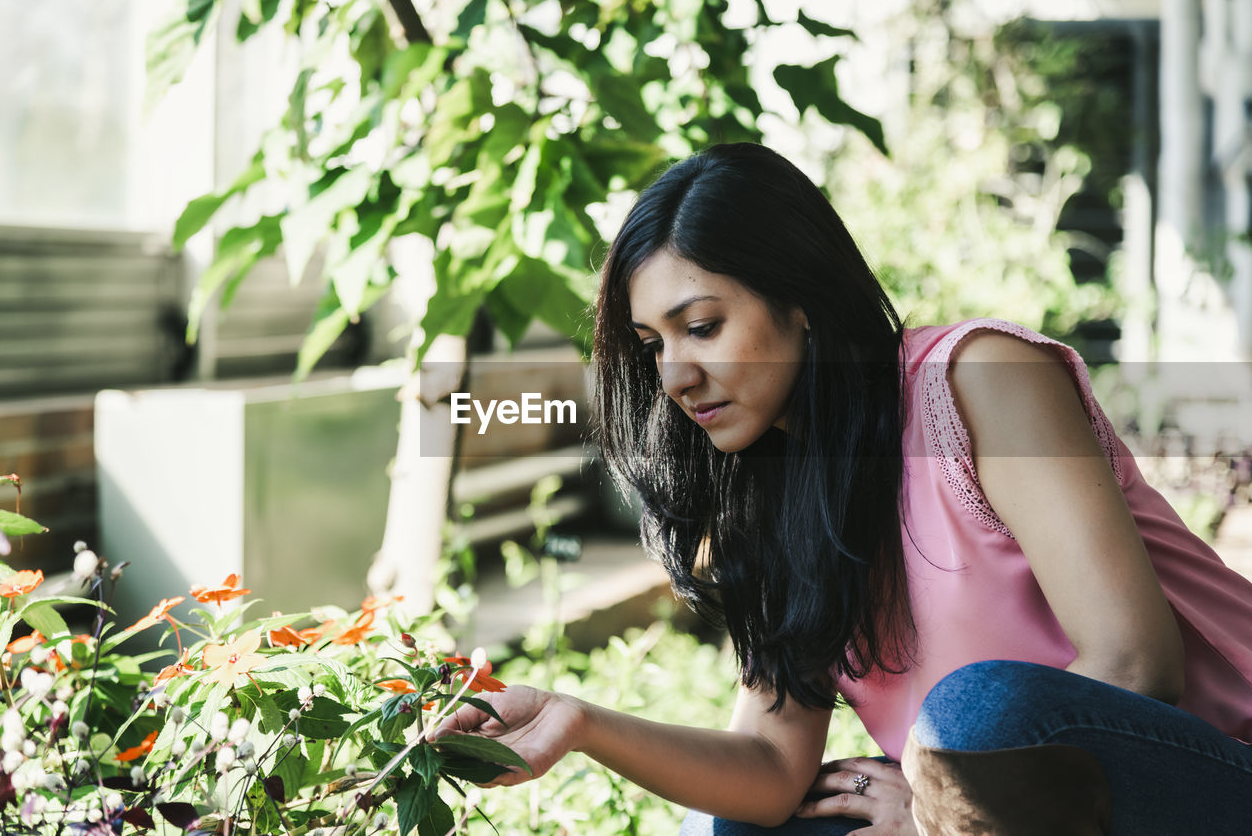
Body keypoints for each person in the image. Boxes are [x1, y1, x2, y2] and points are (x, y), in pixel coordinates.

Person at [432, 143, 1252, 834]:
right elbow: (768, 765)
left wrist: (936, 803)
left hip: (1211, 776)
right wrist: (578, 724)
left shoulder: (978, 380)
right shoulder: (772, 492)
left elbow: (1137, 662)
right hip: (1021, 811)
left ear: (803, 304)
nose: (674, 375)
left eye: (704, 326)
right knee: (758, 821)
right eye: (652, 344)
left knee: (978, 714)